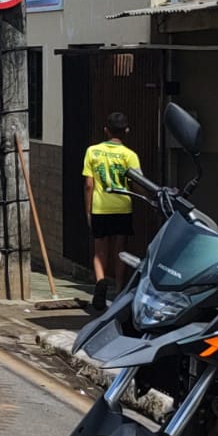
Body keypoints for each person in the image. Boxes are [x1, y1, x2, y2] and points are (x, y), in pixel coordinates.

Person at [83, 112, 141, 310]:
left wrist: (88, 211)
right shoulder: (130, 155)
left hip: (100, 207)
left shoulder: (93, 152)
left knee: (100, 251)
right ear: (126, 131)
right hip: (123, 206)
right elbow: (137, 183)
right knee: (120, 250)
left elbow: (89, 185)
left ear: (105, 130)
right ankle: (119, 289)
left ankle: (100, 284)